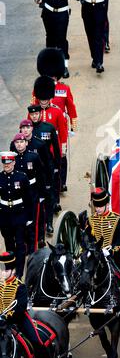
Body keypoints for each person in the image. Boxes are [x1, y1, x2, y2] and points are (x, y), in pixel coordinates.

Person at [35, 47, 78, 192]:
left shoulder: (64, 89)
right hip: (43, 128)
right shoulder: (39, 88)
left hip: (60, 129)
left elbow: (71, 107)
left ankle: (62, 182)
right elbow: (34, 107)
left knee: (61, 155)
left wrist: (73, 126)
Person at [0, 252, 51, 358]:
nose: (3, 273)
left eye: (6, 271)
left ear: (13, 271)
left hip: (18, 319)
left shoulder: (20, 286)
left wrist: (5, 317)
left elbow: (20, 307)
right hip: (0, 321)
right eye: (1, 270)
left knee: (36, 340)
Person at [35, 0, 72, 78]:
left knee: (62, 39)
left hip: (61, 13)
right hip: (49, 13)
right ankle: (49, 66)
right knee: (50, 39)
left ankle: (64, 66)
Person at [27, 105, 61, 235]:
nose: (34, 116)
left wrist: (57, 166)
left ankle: (49, 223)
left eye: (36, 114)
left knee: (48, 196)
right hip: (32, 171)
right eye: (32, 114)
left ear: (40, 114)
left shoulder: (49, 128)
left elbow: (56, 148)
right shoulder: (27, 130)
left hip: (47, 168)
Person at [73, 0, 110, 74]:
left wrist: (104, 12)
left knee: (99, 36)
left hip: (99, 10)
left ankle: (99, 62)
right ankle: (94, 57)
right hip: (87, 10)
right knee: (91, 36)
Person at [0, 153, 33, 279]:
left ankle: (19, 273)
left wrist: (29, 218)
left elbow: (28, 199)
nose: (6, 165)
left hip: (19, 215)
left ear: (13, 163)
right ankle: (10, 269)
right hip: (4, 216)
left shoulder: (22, 177)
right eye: (4, 163)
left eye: (9, 163)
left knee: (19, 245)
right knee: (9, 244)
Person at [12, 133, 46, 254]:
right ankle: (25, 247)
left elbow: (40, 175)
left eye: (21, 142)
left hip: (33, 193)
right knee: (22, 222)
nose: (19, 145)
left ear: (26, 143)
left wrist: (42, 194)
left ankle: (34, 250)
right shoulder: (12, 159)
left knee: (33, 223)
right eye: (17, 142)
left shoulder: (34, 157)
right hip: (18, 195)